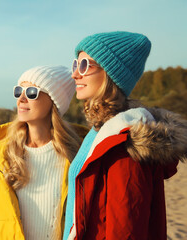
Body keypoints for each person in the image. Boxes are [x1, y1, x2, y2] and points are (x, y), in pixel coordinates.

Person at [62, 31, 187, 240]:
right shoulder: (99, 131)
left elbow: (125, 229)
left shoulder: (124, 141)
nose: (75, 74)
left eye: (85, 65)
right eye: (76, 65)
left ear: (111, 73)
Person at [0, 65, 88, 240]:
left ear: (54, 101)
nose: (21, 99)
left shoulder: (78, 155)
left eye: (32, 92)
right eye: (18, 91)